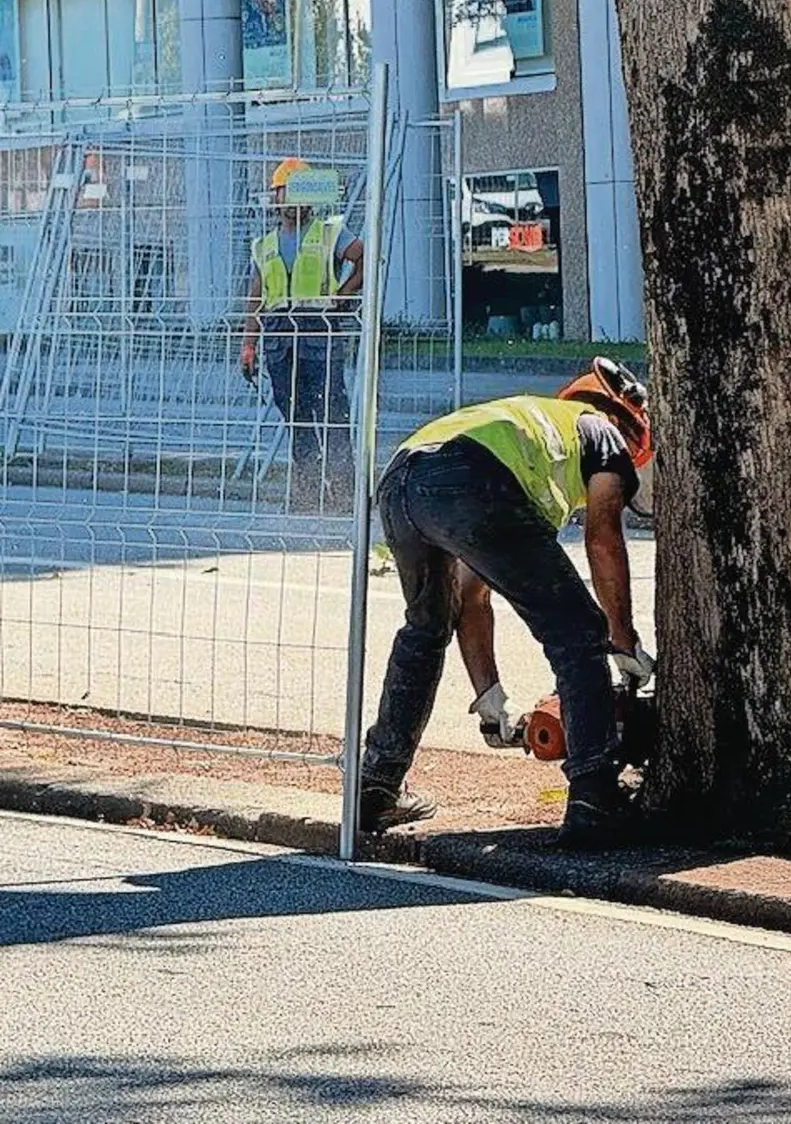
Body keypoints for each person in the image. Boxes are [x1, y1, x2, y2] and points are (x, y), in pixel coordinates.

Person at [358, 357, 655, 851]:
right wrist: (623, 640)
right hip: (473, 479)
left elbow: (471, 597)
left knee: (427, 628)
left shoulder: (532, 425)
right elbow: (604, 541)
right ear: (630, 426)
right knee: (580, 632)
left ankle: (377, 786)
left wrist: (490, 697)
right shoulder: (604, 436)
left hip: (402, 480)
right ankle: (593, 799)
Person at [240, 158, 364, 513]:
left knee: (332, 413)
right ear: (276, 196)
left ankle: (344, 495)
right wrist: (248, 345)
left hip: (318, 330)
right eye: (287, 192)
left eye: (302, 192)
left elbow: (364, 256)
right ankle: (308, 495)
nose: (295, 201)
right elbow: (256, 298)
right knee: (297, 418)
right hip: (279, 339)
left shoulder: (329, 232)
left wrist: (343, 296)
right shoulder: (263, 245)